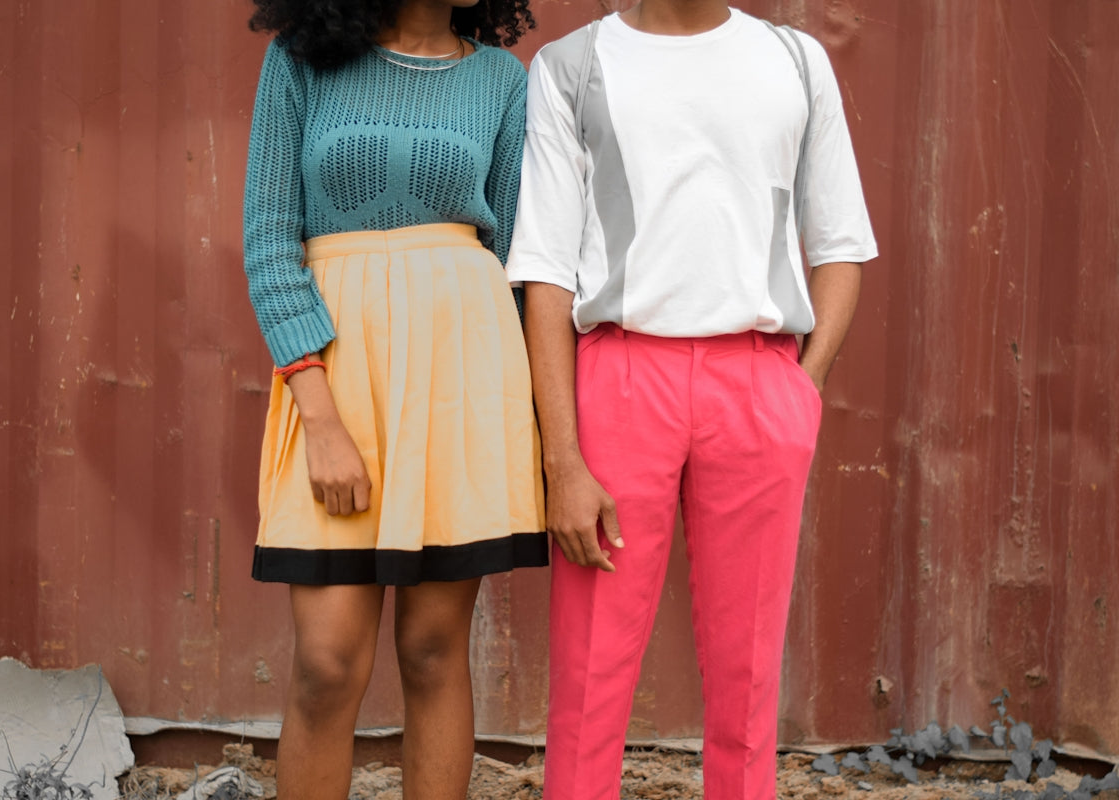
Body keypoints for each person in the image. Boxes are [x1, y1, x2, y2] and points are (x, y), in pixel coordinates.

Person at [506, 2, 878, 799]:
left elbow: (842, 246)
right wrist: (560, 456)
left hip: (759, 385)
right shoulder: (571, 67)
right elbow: (545, 269)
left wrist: (797, 392)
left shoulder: (796, 61)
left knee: (749, 676)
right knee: (589, 673)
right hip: (617, 378)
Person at [241, 1, 545, 797]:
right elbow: (270, 239)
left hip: (462, 375)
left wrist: (522, 417)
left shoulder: (500, 81)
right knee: (326, 660)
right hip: (338, 377)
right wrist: (319, 412)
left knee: (435, 650)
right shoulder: (302, 59)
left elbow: (516, 254)